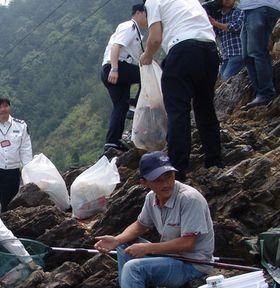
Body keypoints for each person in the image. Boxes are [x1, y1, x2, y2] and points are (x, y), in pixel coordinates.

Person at [94, 151, 215, 288]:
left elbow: (188, 243)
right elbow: (141, 224)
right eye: (158, 180)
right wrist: (117, 240)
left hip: (192, 265)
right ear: (145, 183)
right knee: (126, 246)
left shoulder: (189, 199)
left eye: (168, 176)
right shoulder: (152, 198)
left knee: (134, 268)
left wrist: (147, 248)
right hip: (171, 259)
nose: (165, 183)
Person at [140, 0, 223, 180]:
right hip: (210, 50)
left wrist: (146, 56)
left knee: (178, 111)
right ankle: (215, 160)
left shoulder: (154, 1)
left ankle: (178, 168)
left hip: (183, 50)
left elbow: (155, 38)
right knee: (205, 107)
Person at [101, 4, 148, 152]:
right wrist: (115, 68)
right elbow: (116, 46)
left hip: (111, 70)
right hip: (116, 67)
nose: (148, 19)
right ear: (139, 13)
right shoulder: (130, 26)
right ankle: (135, 106)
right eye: (147, 15)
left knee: (120, 107)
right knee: (146, 73)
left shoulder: (137, 34)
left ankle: (112, 143)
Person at [239, 0, 280, 108]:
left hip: (262, 6)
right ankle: (260, 93)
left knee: (257, 52)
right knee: (247, 56)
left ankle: (266, 93)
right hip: (249, 9)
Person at [209, 0, 245, 81]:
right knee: (222, 81)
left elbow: (236, 27)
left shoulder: (239, 10)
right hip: (226, 56)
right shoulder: (219, 16)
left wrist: (215, 23)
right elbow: (214, 34)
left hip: (238, 52)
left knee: (226, 77)